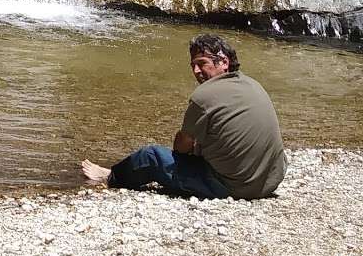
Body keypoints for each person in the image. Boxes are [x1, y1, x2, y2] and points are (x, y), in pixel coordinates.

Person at [80, 33, 286, 200]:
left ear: (224, 62)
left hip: (234, 188)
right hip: (270, 182)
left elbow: (181, 147)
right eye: (193, 66)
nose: (196, 71)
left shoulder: (204, 96)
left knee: (151, 156)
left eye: (202, 63)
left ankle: (110, 176)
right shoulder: (253, 84)